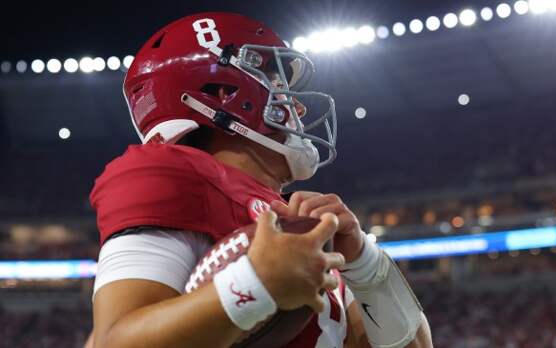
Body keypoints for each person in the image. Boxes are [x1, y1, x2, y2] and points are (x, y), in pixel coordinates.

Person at [89, 12, 432, 348]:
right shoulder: (171, 172)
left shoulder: (302, 224)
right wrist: (254, 284)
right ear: (224, 93)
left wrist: (364, 262)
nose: (297, 108)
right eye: (280, 86)